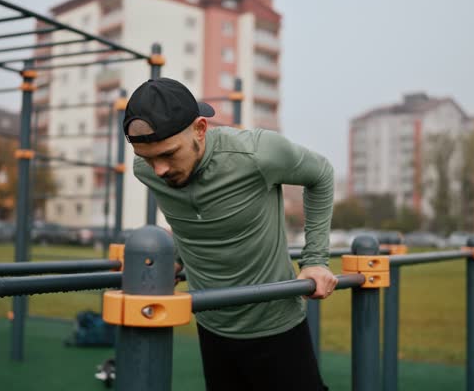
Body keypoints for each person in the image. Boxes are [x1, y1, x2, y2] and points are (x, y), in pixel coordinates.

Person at [123, 77, 336, 391]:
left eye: (168, 154)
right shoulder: (147, 173)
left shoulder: (257, 153)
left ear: (200, 128)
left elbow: (321, 174)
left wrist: (315, 259)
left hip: (276, 322)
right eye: (147, 158)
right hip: (212, 322)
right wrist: (176, 260)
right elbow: (189, 217)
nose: (159, 170)